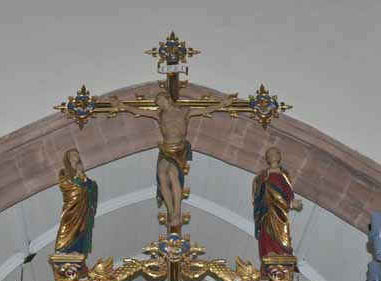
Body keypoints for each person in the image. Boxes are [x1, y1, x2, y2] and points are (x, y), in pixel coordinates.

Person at [110, 91, 235, 227]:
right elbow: (138, 110)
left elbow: (205, 110)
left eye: (159, 99)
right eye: (157, 102)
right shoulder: (159, 114)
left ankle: (177, 212)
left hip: (179, 149)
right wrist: (121, 105)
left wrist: (223, 104)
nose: (158, 103)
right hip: (165, 148)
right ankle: (170, 210)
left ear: (168, 98)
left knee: (172, 174)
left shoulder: (185, 111)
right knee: (161, 175)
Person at [252, 147, 302, 260]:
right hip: (266, 208)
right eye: (270, 155)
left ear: (279, 156)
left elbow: (288, 190)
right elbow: (257, 189)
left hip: (280, 208)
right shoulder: (263, 175)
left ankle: (283, 251)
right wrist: (267, 174)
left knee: (282, 229)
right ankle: (269, 251)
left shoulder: (283, 174)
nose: (273, 156)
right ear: (267, 159)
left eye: (275, 153)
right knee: (266, 229)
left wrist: (292, 202)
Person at [54, 149, 98, 257]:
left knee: (82, 229)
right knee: (69, 226)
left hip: (84, 208)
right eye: (73, 155)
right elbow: (67, 187)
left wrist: (84, 180)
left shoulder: (84, 176)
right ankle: (65, 248)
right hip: (72, 208)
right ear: (68, 159)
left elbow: (91, 188)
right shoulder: (64, 173)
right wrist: (77, 179)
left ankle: (78, 250)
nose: (77, 156)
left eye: (77, 154)